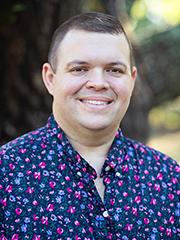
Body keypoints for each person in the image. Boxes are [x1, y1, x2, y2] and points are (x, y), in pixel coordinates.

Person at [0, 12, 179, 240]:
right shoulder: (6, 174)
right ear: (50, 79)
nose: (98, 83)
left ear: (132, 81)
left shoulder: (168, 177)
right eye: (79, 69)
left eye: (114, 70)